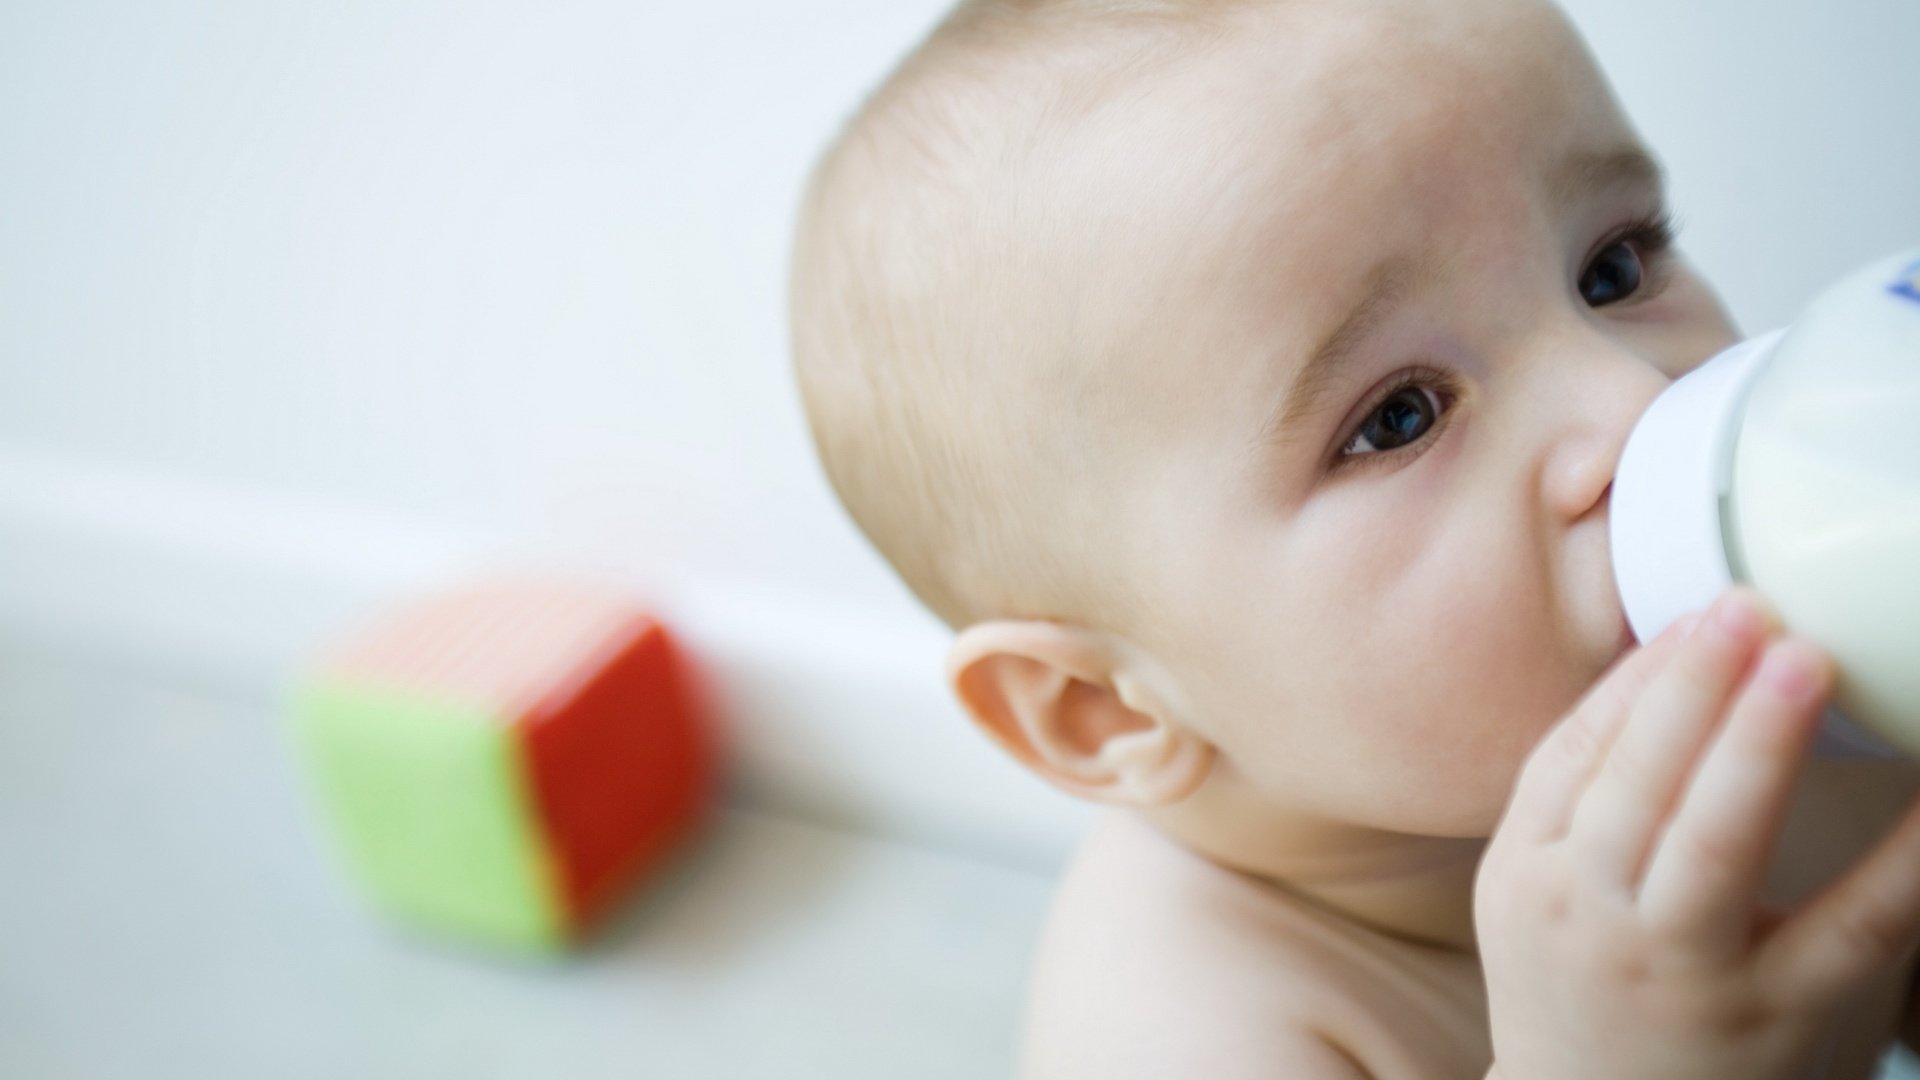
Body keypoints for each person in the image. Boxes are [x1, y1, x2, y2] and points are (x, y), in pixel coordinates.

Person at [788, 1, 1920, 1075]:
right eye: (1399, 418)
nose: (1628, 397)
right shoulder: (1185, 1029)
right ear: (1109, 710)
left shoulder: (1796, 665)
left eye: (1612, 266)